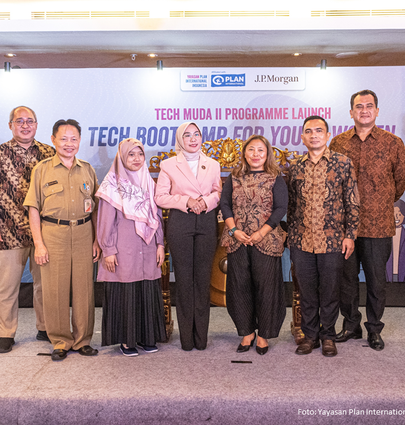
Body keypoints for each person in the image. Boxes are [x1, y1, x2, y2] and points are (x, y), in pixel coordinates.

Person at [330, 89, 405, 351]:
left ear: (377, 111)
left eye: (369, 106)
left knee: (376, 280)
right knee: (346, 280)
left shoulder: (393, 143)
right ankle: (351, 324)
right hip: (344, 228)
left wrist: (380, 200)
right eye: (359, 106)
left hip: (378, 225)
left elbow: (402, 182)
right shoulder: (338, 143)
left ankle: (374, 329)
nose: (364, 110)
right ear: (351, 112)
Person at [0, 106, 55, 354]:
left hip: (44, 232)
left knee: (45, 284)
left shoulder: (49, 153)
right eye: (19, 121)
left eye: (30, 121)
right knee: (7, 286)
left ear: (36, 124)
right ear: (10, 125)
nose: (25, 125)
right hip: (7, 232)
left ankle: (45, 327)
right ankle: (6, 333)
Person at [24, 119, 101, 361]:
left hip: (83, 233)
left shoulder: (87, 169)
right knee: (54, 290)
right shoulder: (42, 169)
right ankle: (60, 340)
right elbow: (33, 208)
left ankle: (82, 340)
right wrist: (39, 244)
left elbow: (96, 209)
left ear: (79, 141)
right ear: (53, 140)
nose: (69, 143)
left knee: (84, 290)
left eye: (74, 139)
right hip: (53, 234)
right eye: (64, 138)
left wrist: (96, 240)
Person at [288, 116, 360, 357]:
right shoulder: (296, 166)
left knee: (330, 291)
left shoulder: (342, 163)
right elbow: (291, 205)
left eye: (319, 131)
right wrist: (291, 236)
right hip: (302, 241)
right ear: (302, 137)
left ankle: (328, 335)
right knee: (307, 292)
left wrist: (350, 235)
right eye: (309, 131)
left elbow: (352, 202)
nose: (314, 135)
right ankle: (310, 336)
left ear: (328, 135)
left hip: (333, 241)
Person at [96, 138, 167, 357]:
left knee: (146, 290)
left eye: (140, 154)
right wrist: (108, 250)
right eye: (131, 155)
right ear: (121, 157)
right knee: (125, 293)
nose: (136, 159)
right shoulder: (112, 184)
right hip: (123, 249)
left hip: (147, 248)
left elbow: (156, 217)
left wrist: (160, 244)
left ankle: (147, 337)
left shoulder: (148, 182)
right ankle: (127, 341)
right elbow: (105, 220)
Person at [154, 122, 222, 351]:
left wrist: (206, 201)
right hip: (181, 221)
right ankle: (186, 338)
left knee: (203, 280)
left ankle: (200, 337)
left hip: (206, 221)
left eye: (197, 134)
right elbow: (160, 197)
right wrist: (186, 201)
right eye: (187, 135)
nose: (193, 139)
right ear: (180, 139)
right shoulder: (169, 165)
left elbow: (218, 192)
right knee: (184, 280)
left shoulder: (212, 164)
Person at [220, 135, 288, 355]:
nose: (256, 154)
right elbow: (225, 204)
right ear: (244, 153)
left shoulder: (275, 177)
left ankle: (264, 335)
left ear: (267, 154)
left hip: (266, 239)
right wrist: (234, 230)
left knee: (267, 288)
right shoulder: (234, 177)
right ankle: (247, 332)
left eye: (260, 150)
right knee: (239, 287)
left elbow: (280, 208)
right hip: (237, 239)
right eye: (251, 150)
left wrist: (261, 232)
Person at [386, 200, 405, 283]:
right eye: (393, 213)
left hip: (404, 279)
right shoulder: (384, 235)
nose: (396, 217)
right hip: (385, 279)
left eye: (399, 214)